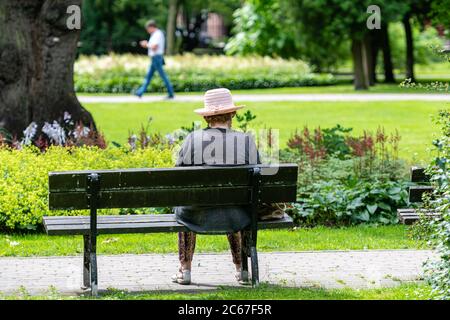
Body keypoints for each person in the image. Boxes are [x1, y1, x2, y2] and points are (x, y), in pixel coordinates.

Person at [172, 88, 260, 285]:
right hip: (236, 215)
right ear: (232, 114)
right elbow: (258, 178)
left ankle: (184, 269)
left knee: (185, 203)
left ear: (206, 117)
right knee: (234, 202)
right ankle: (241, 269)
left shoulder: (191, 139)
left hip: (194, 215)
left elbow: (178, 179)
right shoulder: (246, 140)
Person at [135, 20, 174, 99]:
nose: (148, 31)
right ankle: (140, 92)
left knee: (163, 76)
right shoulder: (155, 34)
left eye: (148, 29)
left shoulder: (157, 34)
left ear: (151, 27)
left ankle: (171, 93)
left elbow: (154, 47)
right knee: (148, 76)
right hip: (155, 58)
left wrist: (146, 44)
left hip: (156, 58)